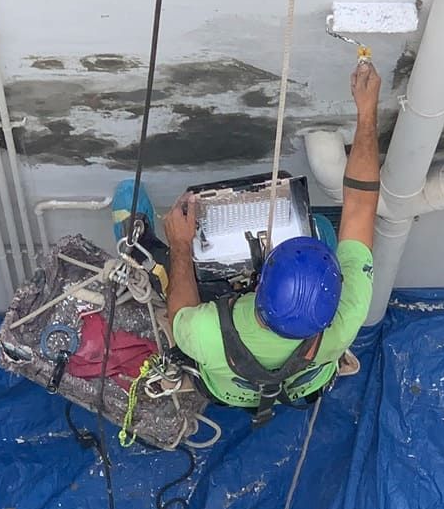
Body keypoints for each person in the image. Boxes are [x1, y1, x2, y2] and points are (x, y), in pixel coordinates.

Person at [160, 61, 381, 425]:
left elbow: (179, 312)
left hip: (226, 388)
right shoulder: (348, 316)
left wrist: (180, 246)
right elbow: (361, 204)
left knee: (175, 263)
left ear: (259, 283)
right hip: (304, 381)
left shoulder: (201, 332)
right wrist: (368, 112)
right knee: (323, 228)